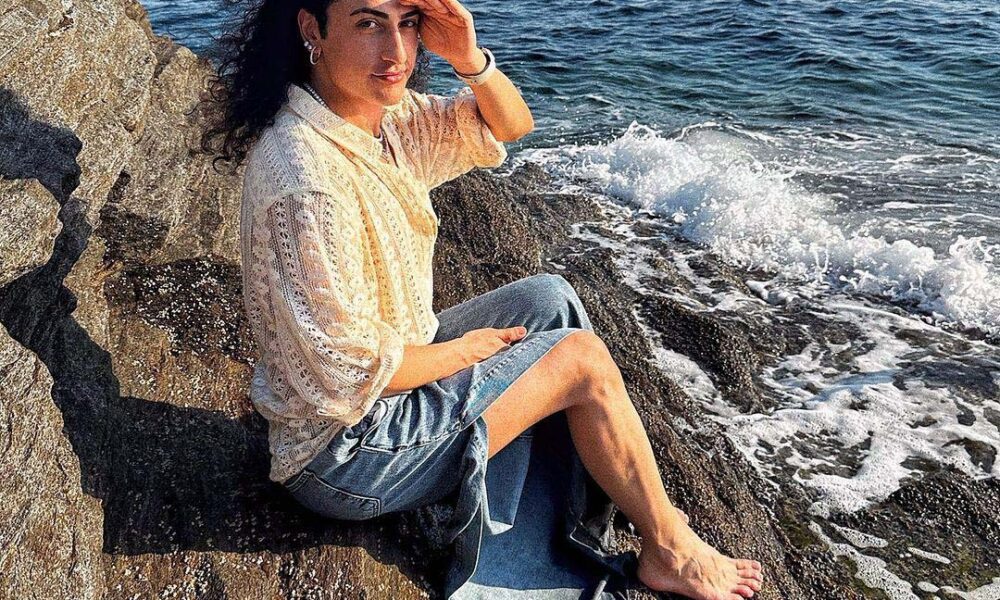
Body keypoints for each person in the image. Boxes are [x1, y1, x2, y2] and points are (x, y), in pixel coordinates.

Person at [200, 0, 765, 598]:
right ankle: (669, 547)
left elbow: (509, 125)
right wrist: (465, 352)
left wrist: (470, 58)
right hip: (346, 453)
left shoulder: (380, 123)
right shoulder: (307, 176)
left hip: (389, 383)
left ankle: (578, 518)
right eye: (367, 23)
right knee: (580, 360)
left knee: (550, 299)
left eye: (406, 23)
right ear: (312, 29)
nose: (395, 52)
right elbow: (342, 373)